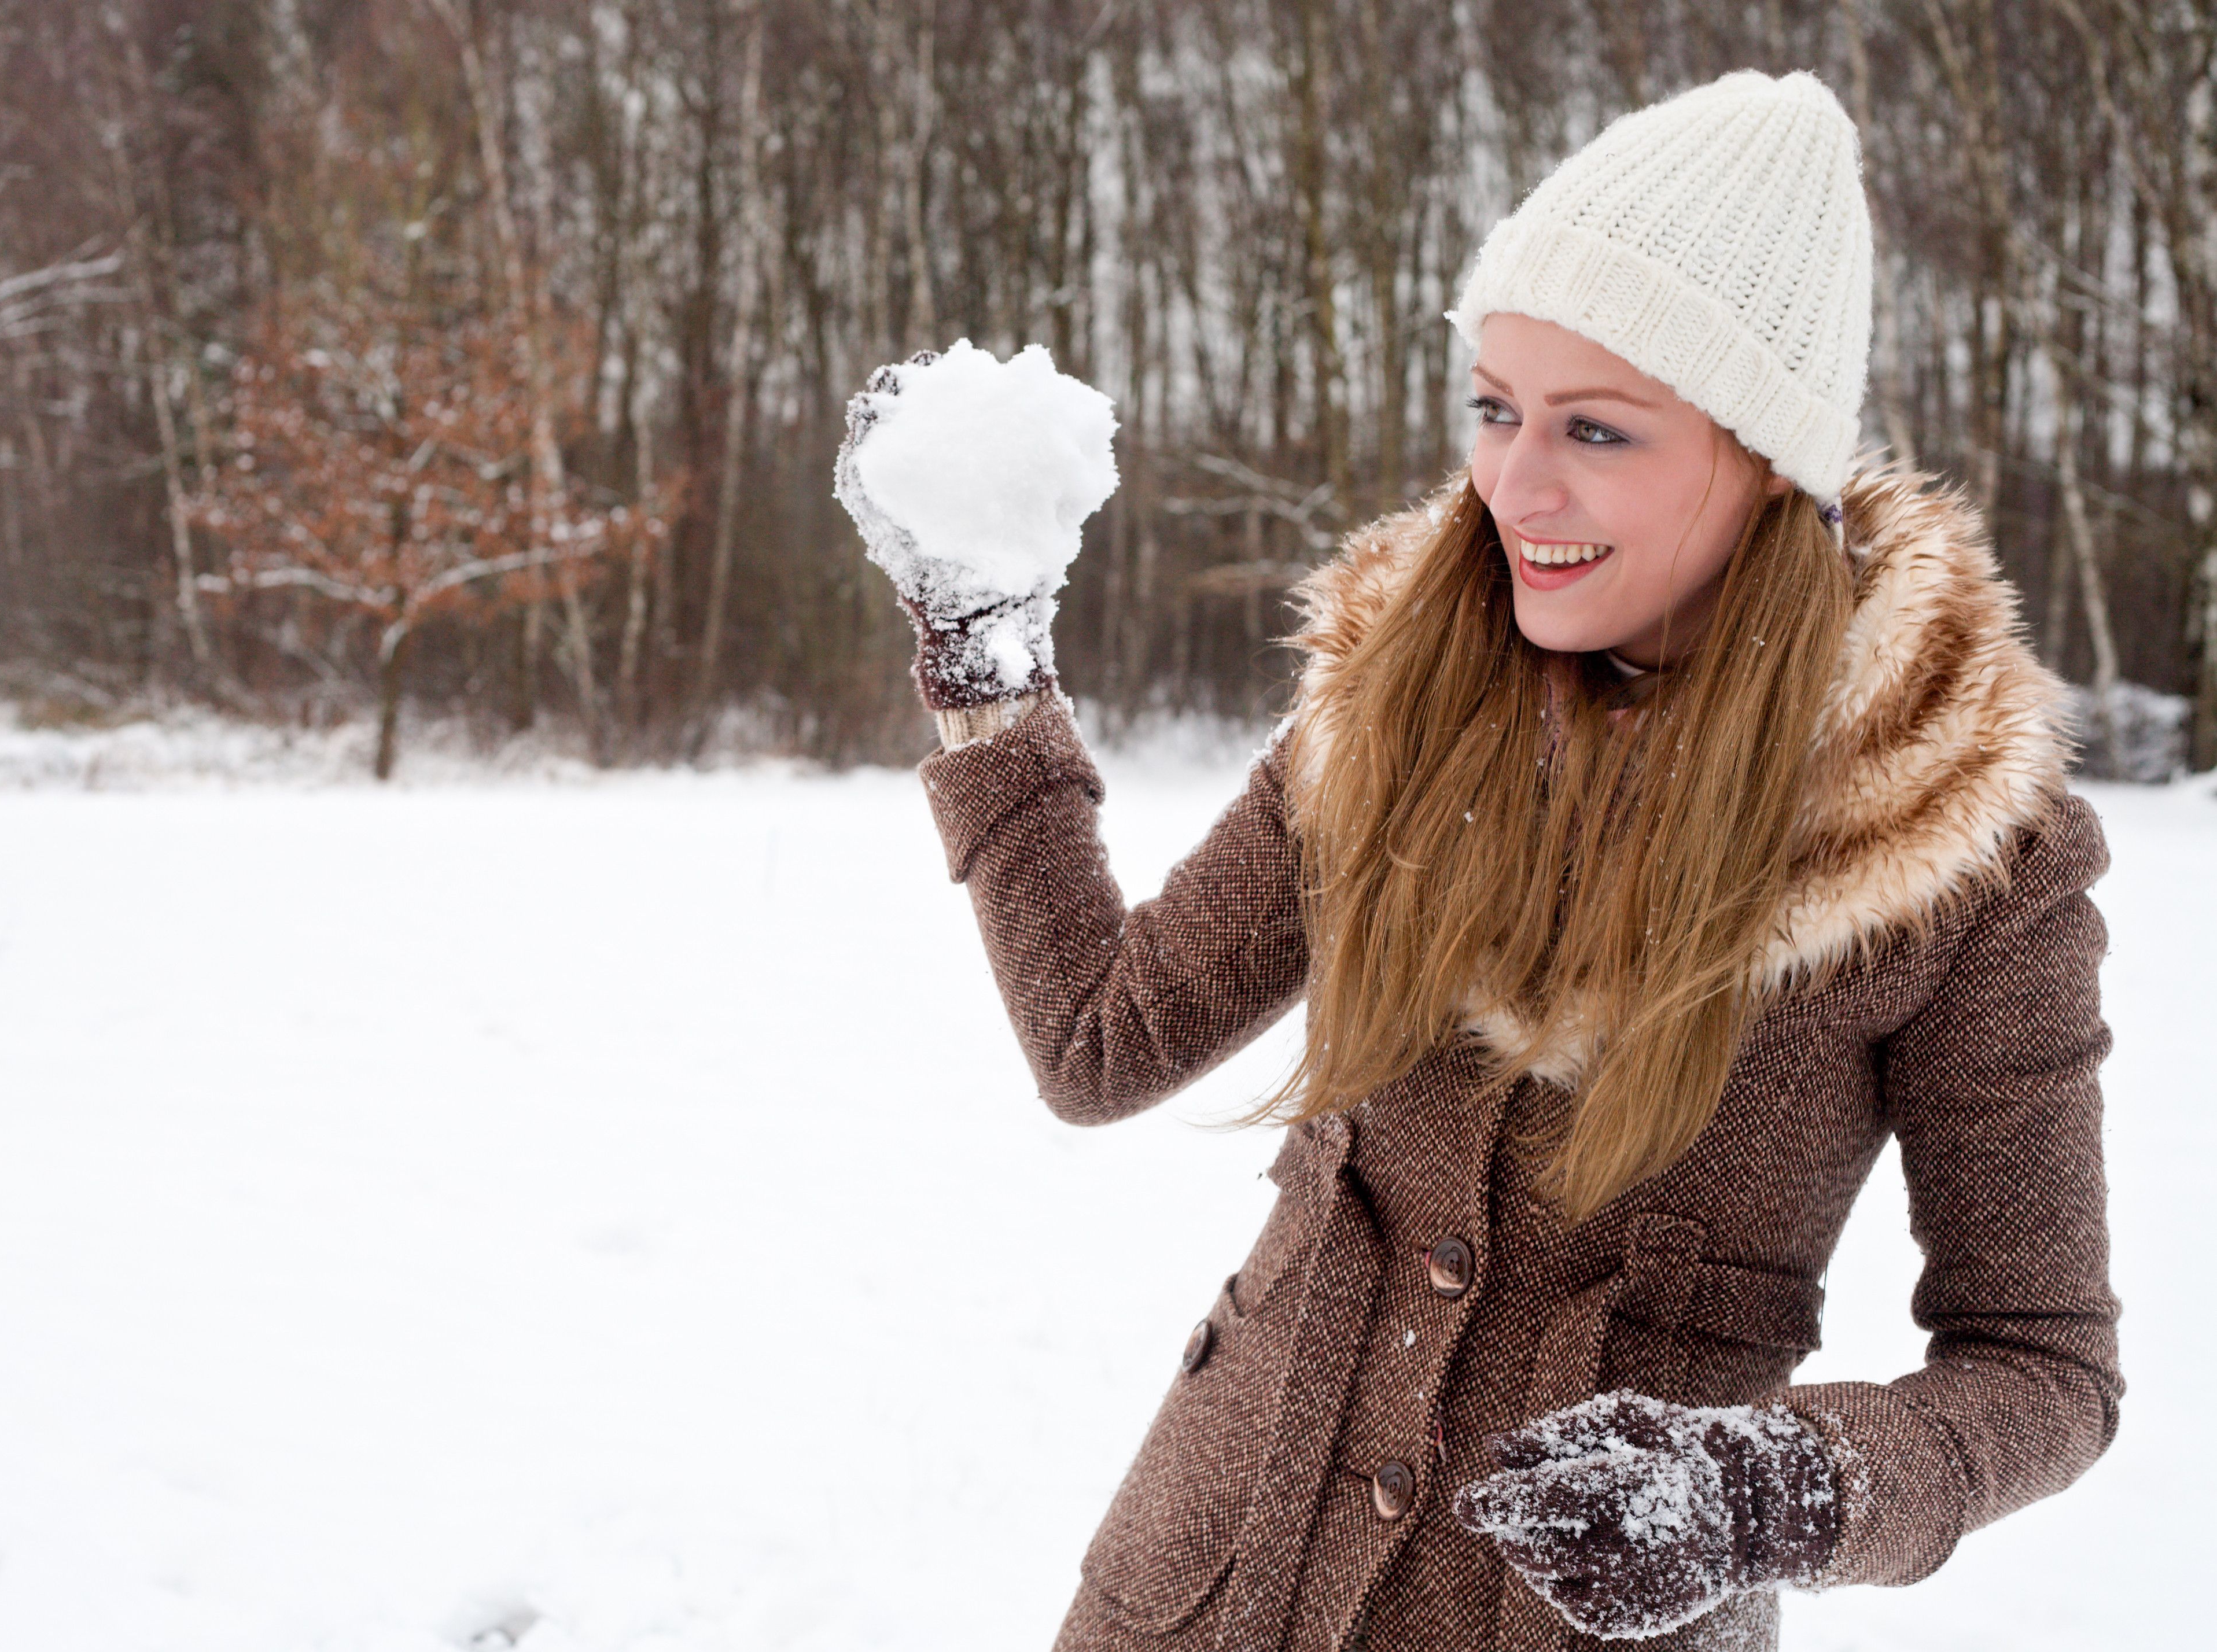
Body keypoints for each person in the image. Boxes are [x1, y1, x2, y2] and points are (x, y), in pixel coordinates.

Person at [837, 70, 2118, 1652]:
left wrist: (1764, 1487)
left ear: (1762, 462)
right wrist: (985, 666)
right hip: (1207, 1592)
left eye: (1595, 429)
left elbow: (2042, 1367)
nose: (1514, 486)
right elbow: (1103, 1044)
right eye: (1495, 408)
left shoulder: (1960, 858)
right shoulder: (1400, 704)